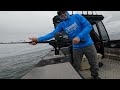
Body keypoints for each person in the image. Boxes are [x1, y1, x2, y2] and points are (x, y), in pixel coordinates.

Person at [29, 11, 100, 79]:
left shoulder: (77, 16)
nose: (63, 15)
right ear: (59, 16)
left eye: (64, 12)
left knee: (94, 63)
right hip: (76, 47)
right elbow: (52, 34)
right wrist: (38, 39)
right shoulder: (61, 25)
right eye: (60, 14)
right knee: (76, 65)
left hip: (88, 44)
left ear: (67, 12)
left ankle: (95, 76)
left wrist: (79, 36)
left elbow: (88, 27)